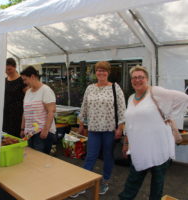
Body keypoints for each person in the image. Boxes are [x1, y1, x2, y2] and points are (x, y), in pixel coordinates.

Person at [119, 66, 188, 200]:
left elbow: (183, 98)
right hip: (139, 148)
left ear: (147, 79)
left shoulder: (155, 92)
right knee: (132, 182)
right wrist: (126, 143)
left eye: (141, 77)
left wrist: (169, 113)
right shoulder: (131, 97)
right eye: (134, 77)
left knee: (157, 184)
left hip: (159, 148)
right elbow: (130, 123)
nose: (137, 80)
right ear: (131, 80)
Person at [78, 61, 126, 195]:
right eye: (98, 70)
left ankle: (105, 181)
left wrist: (120, 128)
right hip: (93, 129)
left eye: (104, 70)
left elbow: (122, 110)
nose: (101, 73)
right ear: (95, 72)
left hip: (109, 130)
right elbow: (84, 107)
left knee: (108, 156)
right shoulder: (90, 88)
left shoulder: (115, 88)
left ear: (108, 72)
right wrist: (81, 124)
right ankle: (83, 183)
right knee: (90, 156)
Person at [20, 66, 56, 154]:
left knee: (40, 160)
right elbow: (25, 111)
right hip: (29, 133)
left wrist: (45, 130)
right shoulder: (28, 92)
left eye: (25, 79)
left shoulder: (46, 90)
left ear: (32, 77)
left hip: (41, 133)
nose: (24, 82)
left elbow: (51, 112)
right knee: (32, 159)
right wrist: (22, 128)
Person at [3, 58, 27, 137]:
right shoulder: (4, 80)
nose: (7, 71)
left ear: (15, 67)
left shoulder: (22, 81)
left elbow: (28, 97)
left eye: (9, 69)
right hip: (6, 114)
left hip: (18, 114)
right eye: (6, 69)